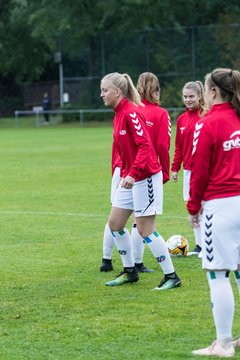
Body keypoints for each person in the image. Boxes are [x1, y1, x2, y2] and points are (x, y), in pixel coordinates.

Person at [100, 72, 181, 289]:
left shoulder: (131, 113)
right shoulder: (118, 114)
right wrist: (125, 174)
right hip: (130, 178)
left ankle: (171, 276)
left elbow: (146, 147)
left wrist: (133, 173)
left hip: (145, 177)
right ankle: (130, 271)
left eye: (105, 90)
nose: (102, 95)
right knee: (115, 224)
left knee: (145, 230)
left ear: (117, 92)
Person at [187, 68, 240, 357]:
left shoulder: (207, 124)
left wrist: (193, 208)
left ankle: (223, 344)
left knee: (218, 274)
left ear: (214, 92)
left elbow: (200, 172)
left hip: (221, 206)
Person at [100, 146, 154, 273]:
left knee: (118, 216)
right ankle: (137, 263)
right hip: (131, 169)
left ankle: (106, 260)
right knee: (131, 217)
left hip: (123, 168)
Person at [171, 81, 206, 257]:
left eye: (191, 96)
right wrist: (175, 167)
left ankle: (209, 245)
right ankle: (200, 246)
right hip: (188, 171)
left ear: (200, 96)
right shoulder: (182, 119)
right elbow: (179, 147)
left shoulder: (206, 116)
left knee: (205, 208)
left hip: (206, 171)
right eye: (185, 96)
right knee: (193, 208)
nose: (188, 99)